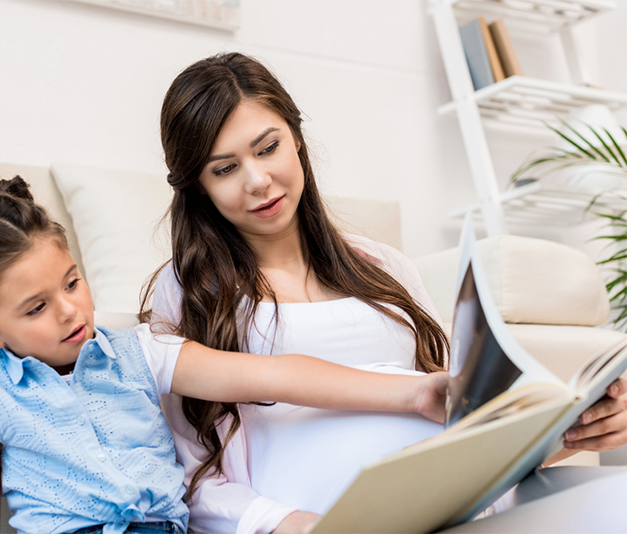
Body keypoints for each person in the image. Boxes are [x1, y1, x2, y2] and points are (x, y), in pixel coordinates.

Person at [143, 52, 627, 534]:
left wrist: (576, 432)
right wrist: (290, 524)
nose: (258, 180)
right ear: (199, 187)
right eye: (224, 169)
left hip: (460, 499)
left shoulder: (382, 266)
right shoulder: (192, 293)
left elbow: (462, 415)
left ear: (296, 139)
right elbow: (189, 474)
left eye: (268, 148)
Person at [0, 176, 450, 534]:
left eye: (73, 283)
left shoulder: (141, 350)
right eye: (36, 309)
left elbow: (277, 375)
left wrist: (414, 391)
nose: (71, 311)